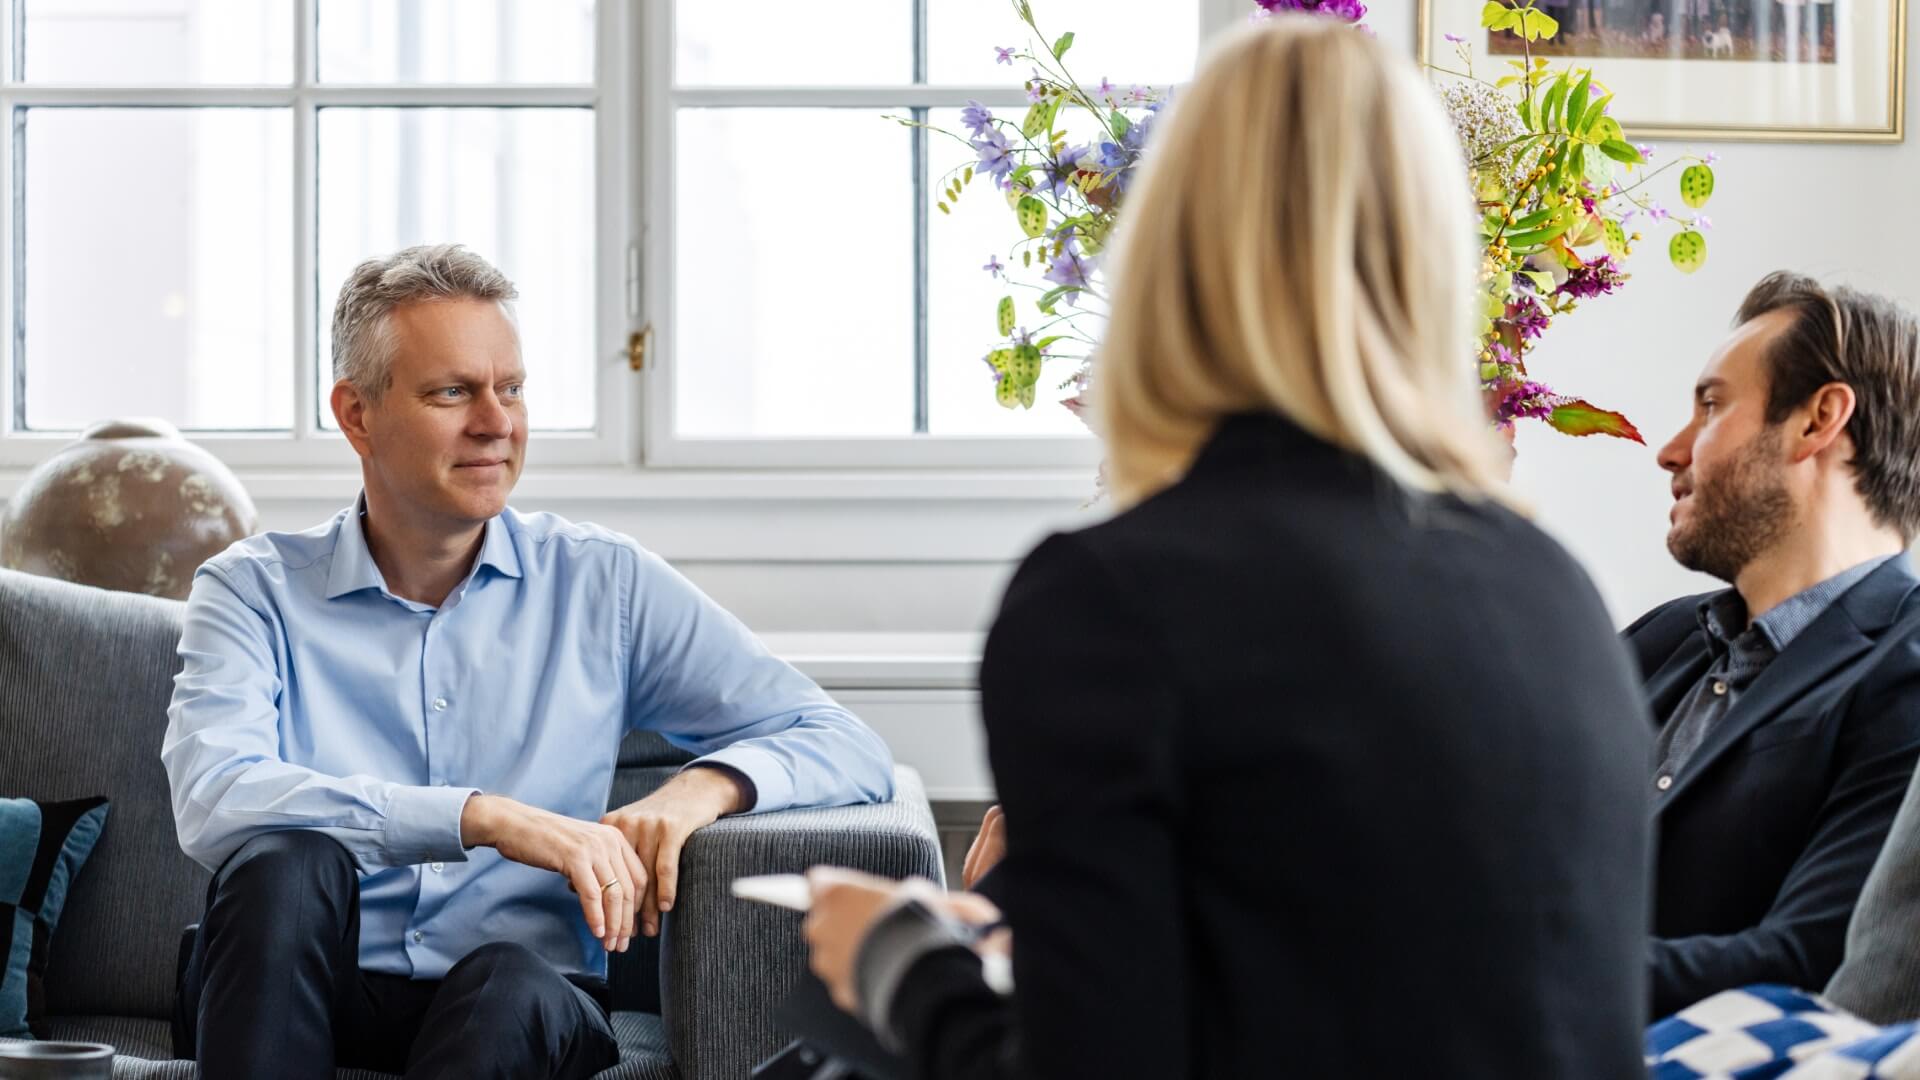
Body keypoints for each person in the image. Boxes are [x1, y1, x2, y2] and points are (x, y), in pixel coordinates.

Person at [797, 15, 1653, 1078]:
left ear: (1166, 249)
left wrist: (900, 964)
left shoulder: (1107, 599)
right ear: (1437, 264)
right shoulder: (1553, 587)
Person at [162, 244, 896, 1080]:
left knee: (510, 978)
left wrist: (703, 786)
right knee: (283, 862)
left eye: (510, 388)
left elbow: (843, 742)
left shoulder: (603, 584)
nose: (496, 422)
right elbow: (215, 796)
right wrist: (482, 817)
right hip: (305, 996)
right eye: (452, 392)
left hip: (517, 1004)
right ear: (357, 414)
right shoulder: (252, 590)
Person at [1622, 272, 1920, 1019]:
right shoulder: (1660, 640)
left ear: (1819, 420)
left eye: (1712, 406)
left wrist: (1509, 970)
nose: (1670, 450)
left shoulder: (1905, 669)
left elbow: (1813, 961)